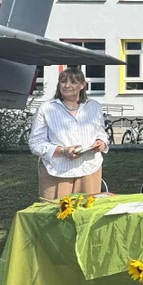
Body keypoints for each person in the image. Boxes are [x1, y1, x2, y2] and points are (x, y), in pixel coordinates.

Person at [28, 67, 109, 199]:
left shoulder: (94, 106)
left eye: (73, 82)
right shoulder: (46, 108)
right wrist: (63, 151)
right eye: (63, 81)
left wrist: (101, 142)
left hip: (89, 168)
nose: (67, 86)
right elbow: (35, 143)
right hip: (58, 171)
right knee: (57, 210)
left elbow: (101, 133)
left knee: (87, 209)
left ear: (82, 85)